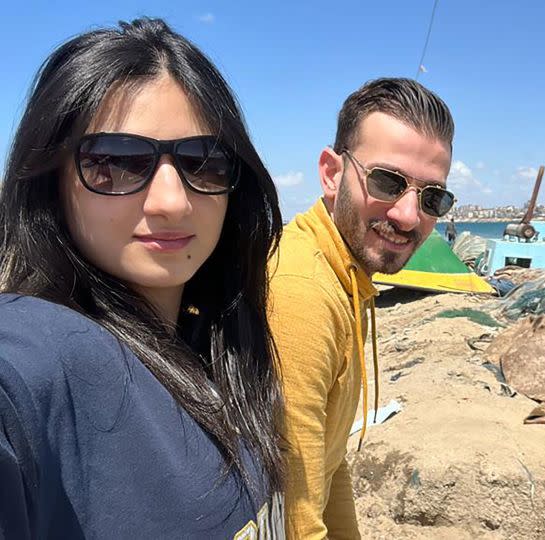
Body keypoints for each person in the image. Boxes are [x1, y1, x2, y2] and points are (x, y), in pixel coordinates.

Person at [0, 18, 285, 538]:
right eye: (116, 162)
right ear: (51, 181)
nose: (173, 202)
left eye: (204, 161)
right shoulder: (33, 362)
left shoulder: (223, 352)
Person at [269, 78, 456, 538]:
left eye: (432, 197)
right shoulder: (302, 291)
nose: (408, 216)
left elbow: (328, 465)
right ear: (332, 173)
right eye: (388, 181)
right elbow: (294, 516)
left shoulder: (344, 275)